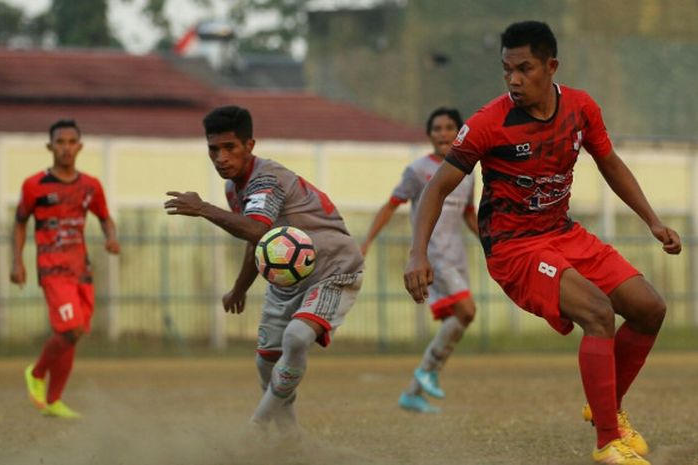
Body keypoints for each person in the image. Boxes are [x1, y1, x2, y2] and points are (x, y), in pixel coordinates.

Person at [403, 21, 681, 465]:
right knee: (597, 312)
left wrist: (652, 220)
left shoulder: (581, 108)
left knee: (650, 308)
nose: (514, 80)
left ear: (551, 66)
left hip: (562, 232)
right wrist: (417, 253)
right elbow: (436, 188)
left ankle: (604, 407)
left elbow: (609, 162)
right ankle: (608, 441)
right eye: (506, 70)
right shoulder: (486, 124)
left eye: (524, 68)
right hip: (515, 249)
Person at [164, 105, 364, 435]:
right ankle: (290, 439)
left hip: (333, 268)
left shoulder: (265, 179)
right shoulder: (234, 189)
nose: (221, 157)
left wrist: (201, 208)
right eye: (214, 149)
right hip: (289, 277)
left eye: (230, 147)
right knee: (265, 361)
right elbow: (255, 237)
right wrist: (240, 287)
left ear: (250, 145)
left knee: (297, 337)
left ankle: (255, 427)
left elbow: (257, 231)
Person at [361, 107, 478, 414]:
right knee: (467, 309)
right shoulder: (417, 170)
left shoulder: (468, 171)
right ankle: (426, 372)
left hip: (457, 255)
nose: (443, 133)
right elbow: (391, 206)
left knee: (463, 317)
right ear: (429, 135)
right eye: (436, 128)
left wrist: (492, 245)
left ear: (459, 132)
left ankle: (414, 390)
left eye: (449, 127)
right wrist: (367, 242)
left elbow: (469, 214)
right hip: (432, 255)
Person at [11, 119, 120, 419]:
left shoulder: (91, 186)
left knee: (74, 334)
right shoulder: (34, 186)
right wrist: (17, 261)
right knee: (69, 329)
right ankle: (36, 372)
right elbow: (20, 223)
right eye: (60, 142)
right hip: (53, 269)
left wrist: (111, 237)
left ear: (80, 147)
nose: (66, 148)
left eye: (72, 142)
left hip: (81, 270)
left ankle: (54, 400)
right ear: (50, 147)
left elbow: (105, 217)